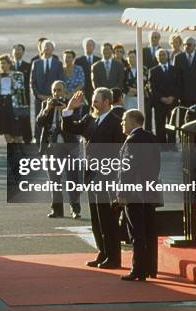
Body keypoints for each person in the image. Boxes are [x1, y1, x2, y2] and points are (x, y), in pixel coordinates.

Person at [62, 88, 124, 269]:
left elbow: (120, 152)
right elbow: (70, 128)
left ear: (107, 102)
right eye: (94, 100)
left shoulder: (115, 122)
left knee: (109, 219)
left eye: (97, 100)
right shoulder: (91, 118)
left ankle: (114, 257)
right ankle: (103, 252)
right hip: (91, 175)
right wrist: (69, 109)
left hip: (108, 176)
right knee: (97, 219)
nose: (93, 103)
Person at [116, 109, 160, 281]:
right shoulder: (151, 137)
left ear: (134, 121)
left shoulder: (132, 140)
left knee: (137, 233)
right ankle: (150, 268)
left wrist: (122, 193)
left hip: (134, 193)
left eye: (124, 120)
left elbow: (127, 170)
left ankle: (138, 269)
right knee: (149, 230)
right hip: (148, 190)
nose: (122, 123)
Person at [36, 80, 81, 219]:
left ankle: (75, 209)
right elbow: (39, 122)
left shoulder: (71, 103)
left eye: (59, 90)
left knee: (71, 178)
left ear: (65, 91)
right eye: (54, 90)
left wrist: (66, 111)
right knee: (54, 180)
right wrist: (47, 109)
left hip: (69, 145)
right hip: (52, 146)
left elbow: (77, 122)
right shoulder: (46, 104)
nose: (57, 93)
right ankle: (57, 209)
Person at [31, 40, 63, 144]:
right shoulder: (36, 63)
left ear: (53, 49)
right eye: (45, 46)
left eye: (49, 46)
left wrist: (53, 96)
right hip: (39, 98)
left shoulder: (58, 63)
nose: (47, 48)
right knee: (40, 118)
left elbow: (60, 80)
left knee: (52, 119)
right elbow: (32, 82)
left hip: (54, 97)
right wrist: (39, 95)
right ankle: (38, 140)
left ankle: (53, 140)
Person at [149, 49, 180, 151]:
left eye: (164, 54)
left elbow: (178, 85)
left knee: (171, 124)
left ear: (167, 56)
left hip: (172, 102)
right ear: (157, 58)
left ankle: (172, 144)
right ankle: (162, 146)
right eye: (160, 55)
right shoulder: (153, 71)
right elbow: (152, 88)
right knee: (159, 124)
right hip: (159, 102)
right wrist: (162, 98)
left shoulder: (175, 69)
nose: (162, 56)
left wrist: (172, 97)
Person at [0, 54, 25, 144]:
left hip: (13, 104)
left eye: (4, 63)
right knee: (5, 130)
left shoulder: (18, 74)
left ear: (9, 64)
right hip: (1, 103)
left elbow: (20, 88)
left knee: (16, 130)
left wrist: (12, 79)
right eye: (1, 64)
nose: (2, 65)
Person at [173, 36, 196, 108]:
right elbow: (176, 77)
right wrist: (177, 94)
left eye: (189, 44)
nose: (186, 46)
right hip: (184, 95)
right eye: (184, 44)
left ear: (194, 46)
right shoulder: (178, 57)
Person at [11, 44, 32, 143]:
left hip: (24, 98)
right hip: (11, 98)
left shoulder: (27, 66)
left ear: (23, 52)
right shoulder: (8, 65)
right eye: (15, 50)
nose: (17, 52)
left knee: (25, 119)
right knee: (13, 120)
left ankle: (27, 140)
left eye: (19, 50)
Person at [142, 31, 161, 133]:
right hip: (146, 90)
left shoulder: (163, 52)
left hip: (159, 89)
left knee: (159, 117)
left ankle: (159, 139)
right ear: (149, 38)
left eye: (156, 37)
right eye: (152, 37)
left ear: (159, 38)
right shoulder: (143, 51)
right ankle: (148, 137)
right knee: (147, 116)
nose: (154, 39)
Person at [74, 38, 101, 105]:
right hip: (83, 90)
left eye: (90, 45)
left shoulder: (99, 60)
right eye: (87, 45)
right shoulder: (78, 61)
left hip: (95, 89)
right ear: (83, 47)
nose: (88, 47)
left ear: (93, 47)